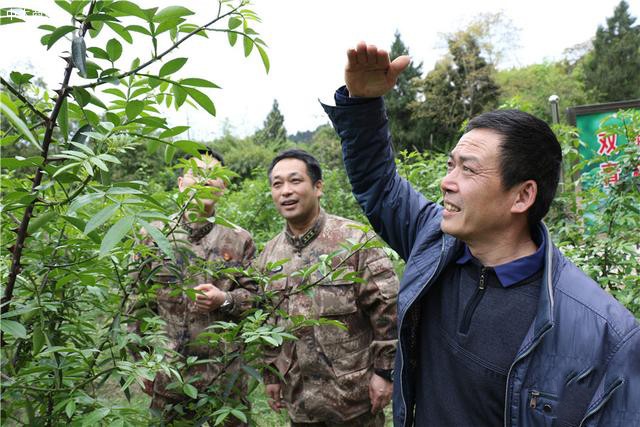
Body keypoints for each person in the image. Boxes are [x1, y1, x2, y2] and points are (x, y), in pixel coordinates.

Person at [320, 41, 640, 427]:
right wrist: (363, 105)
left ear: (523, 195)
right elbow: (380, 185)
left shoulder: (604, 333)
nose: (446, 181)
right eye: (450, 165)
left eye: (468, 170)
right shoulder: (434, 243)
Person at [256, 149, 399, 426]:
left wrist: (385, 373)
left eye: (295, 181)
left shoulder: (354, 241)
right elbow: (266, 321)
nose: (286, 191)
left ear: (318, 187)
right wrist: (272, 375)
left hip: (353, 399)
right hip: (299, 398)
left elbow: (388, 309)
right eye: (277, 184)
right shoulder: (269, 256)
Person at [130, 149, 256, 425]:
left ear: (223, 187)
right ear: (180, 183)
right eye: (197, 173)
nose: (205, 180)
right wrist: (139, 363)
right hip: (169, 378)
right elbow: (136, 306)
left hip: (225, 381)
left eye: (214, 175)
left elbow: (257, 300)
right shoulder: (153, 235)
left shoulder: (239, 239)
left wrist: (225, 299)